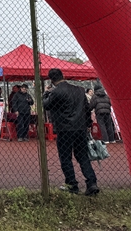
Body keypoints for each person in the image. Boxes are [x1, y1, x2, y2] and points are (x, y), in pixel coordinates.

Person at [42, 68, 99, 196]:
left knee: (65, 157)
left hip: (64, 128)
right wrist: (88, 124)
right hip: (80, 127)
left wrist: (46, 93)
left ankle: (72, 184)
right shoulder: (79, 90)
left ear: (51, 80)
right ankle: (91, 182)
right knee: (83, 156)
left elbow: (46, 105)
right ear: (63, 76)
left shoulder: (56, 92)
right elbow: (87, 109)